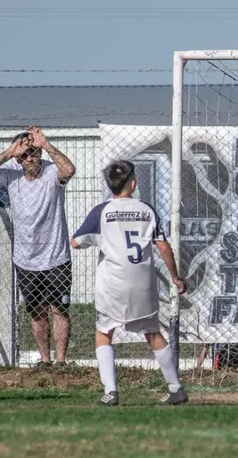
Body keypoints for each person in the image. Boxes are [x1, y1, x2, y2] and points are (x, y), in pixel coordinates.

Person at [71, 161, 188, 406]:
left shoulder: (101, 212)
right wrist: (175, 277)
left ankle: (110, 392)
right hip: (142, 284)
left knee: (104, 332)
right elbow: (163, 246)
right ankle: (175, 388)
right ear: (133, 184)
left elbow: (76, 242)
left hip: (113, 284)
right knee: (153, 333)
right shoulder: (146, 210)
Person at [0, 127, 75, 366]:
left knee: (59, 310)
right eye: (24, 155)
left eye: (33, 153)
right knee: (36, 311)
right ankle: (45, 360)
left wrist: (47, 145)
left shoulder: (52, 172)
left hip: (56, 256)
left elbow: (69, 170)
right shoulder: (10, 174)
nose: (29, 158)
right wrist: (10, 152)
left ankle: (61, 362)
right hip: (26, 259)